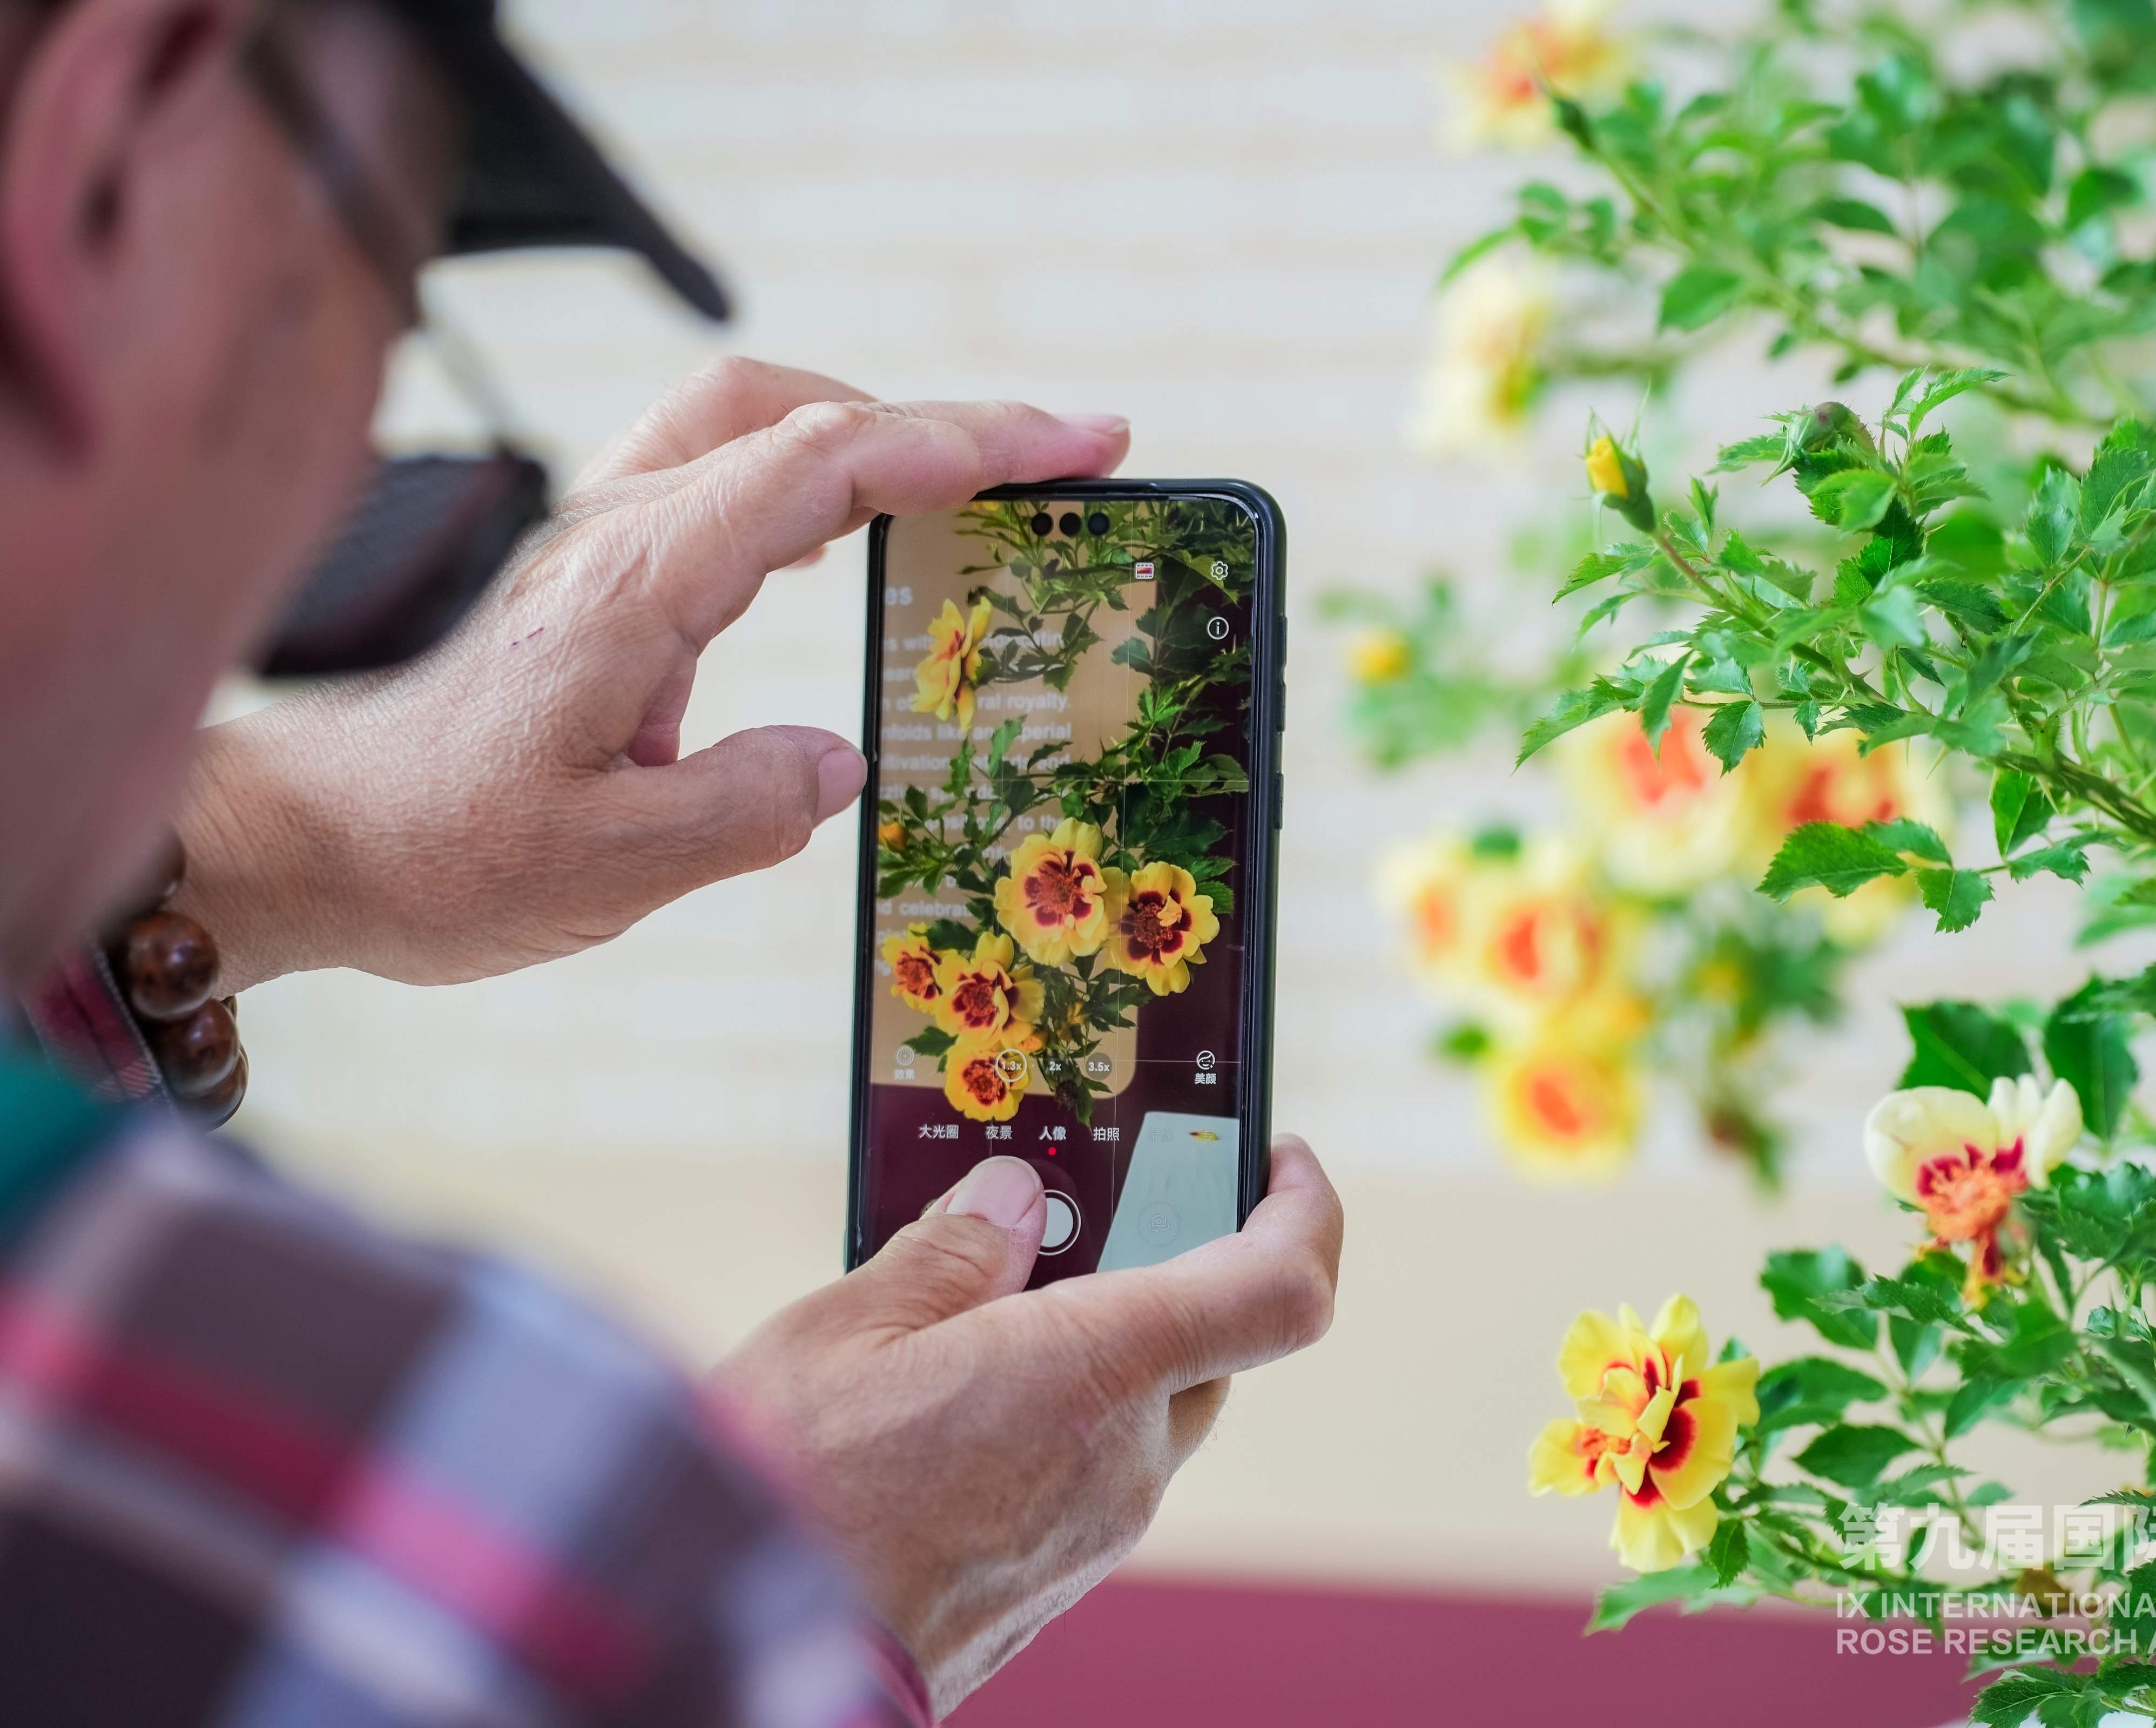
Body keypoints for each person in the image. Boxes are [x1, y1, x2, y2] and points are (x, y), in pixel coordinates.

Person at [0, 0, 1343, 1720]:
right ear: (112, 150)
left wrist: (292, 839)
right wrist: (810, 1601)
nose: (359, 457)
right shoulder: (523, 1545)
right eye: (390, 323)